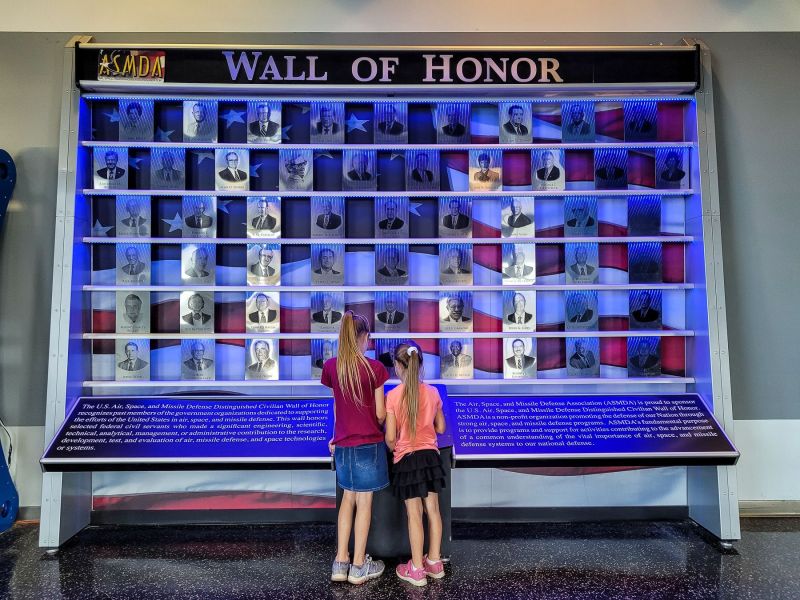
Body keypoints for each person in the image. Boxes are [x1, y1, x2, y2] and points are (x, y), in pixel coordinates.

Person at [322, 312, 390, 585]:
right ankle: (359, 565)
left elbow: (337, 408)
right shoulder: (375, 369)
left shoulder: (331, 367)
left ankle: (340, 562)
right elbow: (382, 414)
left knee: (346, 500)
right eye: (368, 336)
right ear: (362, 337)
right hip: (368, 444)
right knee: (364, 503)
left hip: (343, 444)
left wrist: (335, 436)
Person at [385, 342, 447, 586]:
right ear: (420, 364)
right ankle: (434, 562)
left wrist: (397, 448)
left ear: (398, 367)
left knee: (414, 514)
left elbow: (390, 437)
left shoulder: (393, 396)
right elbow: (441, 427)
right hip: (431, 457)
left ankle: (417, 569)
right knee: (433, 510)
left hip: (407, 460)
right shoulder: (432, 393)